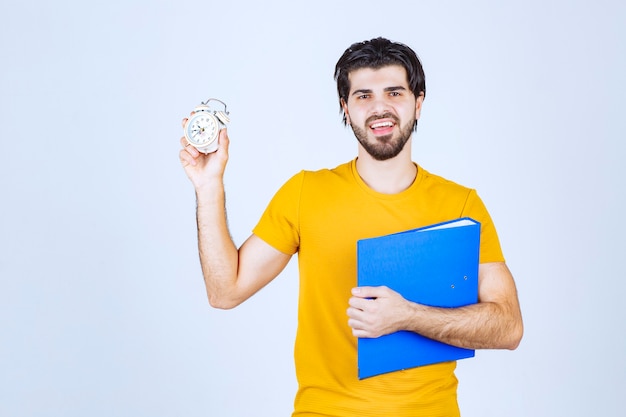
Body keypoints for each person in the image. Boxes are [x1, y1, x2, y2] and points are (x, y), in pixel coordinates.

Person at [179, 37, 523, 417]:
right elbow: (225, 291)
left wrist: (408, 316)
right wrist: (208, 186)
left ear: (418, 103)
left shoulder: (460, 205)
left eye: (394, 92)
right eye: (363, 96)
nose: (380, 107)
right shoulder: (305, 193)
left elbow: (508, 327)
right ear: (345, 108)